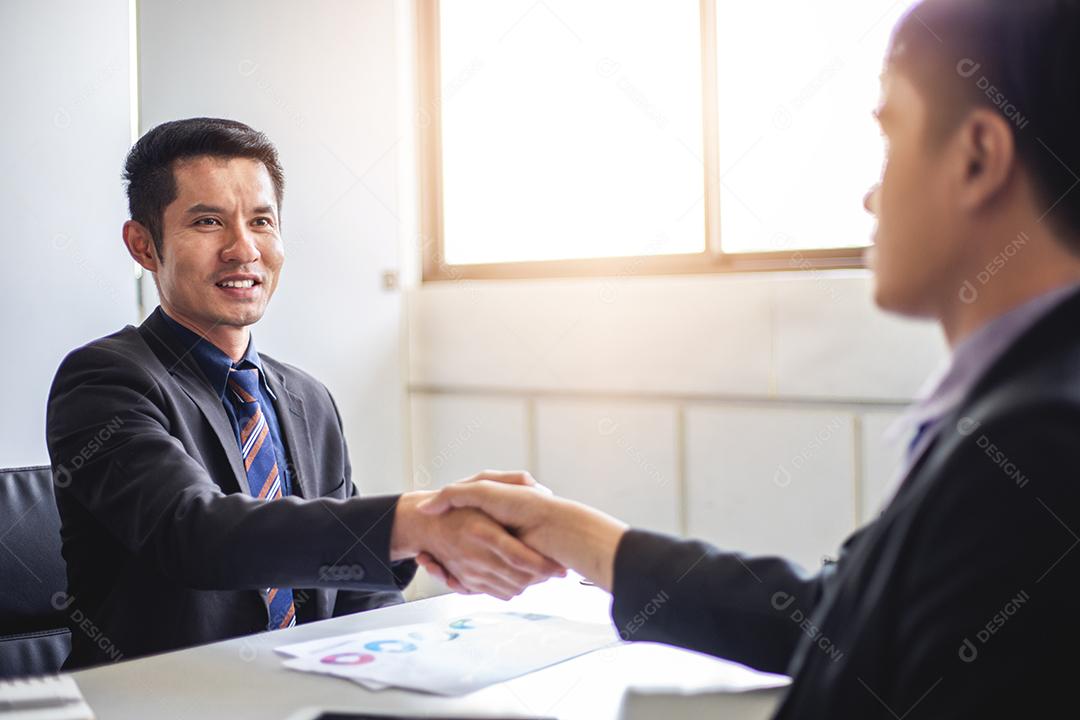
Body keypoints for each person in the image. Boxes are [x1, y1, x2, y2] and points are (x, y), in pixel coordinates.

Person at [416, 1, 1080, 716]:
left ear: (978, 157)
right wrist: (577, 537)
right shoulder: (1015, 409)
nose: (869, 193)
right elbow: (834, 622)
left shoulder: (1036, 446)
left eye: (890, 140)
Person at [45, 118, 563, 670]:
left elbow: (359, 594)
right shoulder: (103, 379)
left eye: (262, 221)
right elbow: (194, 535)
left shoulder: (307, 399)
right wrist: (418, 521)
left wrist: (406, 666)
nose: (243, 249)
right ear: (143, 246)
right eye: (207, 221)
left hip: (306, 694)